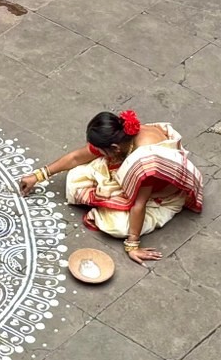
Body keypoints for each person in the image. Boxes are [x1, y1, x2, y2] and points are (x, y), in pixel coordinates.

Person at [19, 110, 203, 266]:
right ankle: (110, 201)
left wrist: (133, 245)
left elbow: (139, 204)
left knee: (117, 227)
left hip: (157, 193)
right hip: (132, 172)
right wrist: (37, 176)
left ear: (114, 149)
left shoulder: (145, 159)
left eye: (102, 150)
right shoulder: (121, 136)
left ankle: (114, 207)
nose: (98, 152)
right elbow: (76, 157)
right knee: (75, 178)